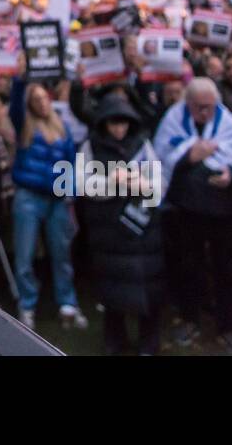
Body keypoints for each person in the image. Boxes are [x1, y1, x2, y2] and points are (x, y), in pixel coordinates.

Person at [154, 77, 232, 354]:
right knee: (190, 266)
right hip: (187, 211)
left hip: (224, 213)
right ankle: (190, 319)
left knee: (224, 270)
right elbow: (162, 159)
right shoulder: (173, 120)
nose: (205, 113)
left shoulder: (227, 122)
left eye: (210, 107)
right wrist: (189, 157)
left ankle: (227, 327)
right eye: (199, 107)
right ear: (188, 104)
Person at [77, 92, 163, 355]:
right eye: (114, 123)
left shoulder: (143, 144)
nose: (119, 129)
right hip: (108, 230)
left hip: (142, 228)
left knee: (149, 287)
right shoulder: (90, 147)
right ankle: (114, 339)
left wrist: (143, 185)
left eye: (123, 123)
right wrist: (111, 183)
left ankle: (149, 341)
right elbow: (81, 184)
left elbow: (159, 183)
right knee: (112, 289)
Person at [9, 82, 85, 330]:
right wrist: (19, 80)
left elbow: (71, 163)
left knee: (61, 253)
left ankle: (67, 303)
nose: (42, 103)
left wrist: (70, 195)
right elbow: (15, 106)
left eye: (45, 98)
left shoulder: (62, 126)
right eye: (36, 99)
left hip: (57, 199)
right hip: (29, 196)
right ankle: (27, 304)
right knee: (25, 255)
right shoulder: (24, 126)